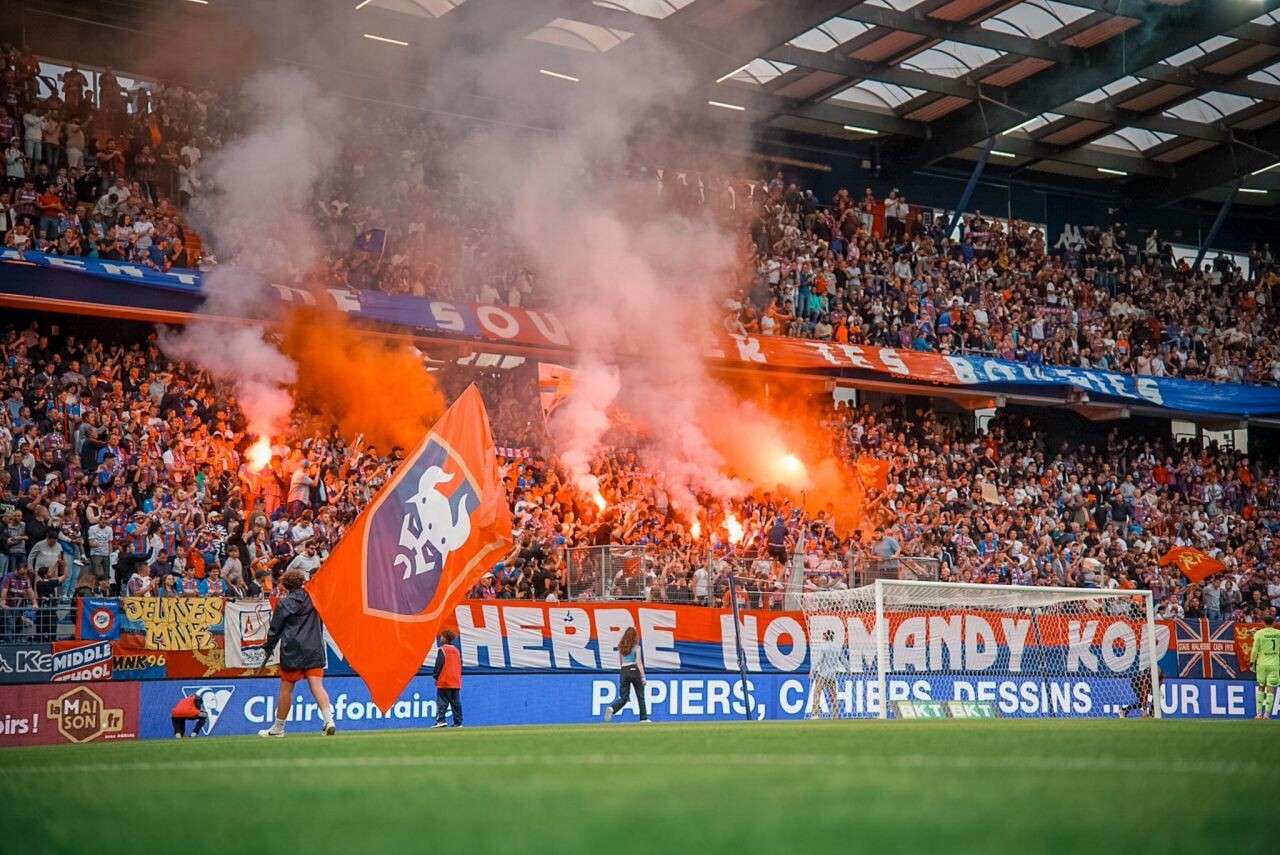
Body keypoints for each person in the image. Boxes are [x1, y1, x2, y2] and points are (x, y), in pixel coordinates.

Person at [258, 569, 336, 737]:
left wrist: (269, 646)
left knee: (287, 689)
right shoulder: (314, 598)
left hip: (292, 650)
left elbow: (275, 629)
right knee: (317, 687)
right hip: (314, 648)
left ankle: (278, 728)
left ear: (285, 585)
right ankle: (328, 720)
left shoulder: (284, 603)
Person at [604, 626, 650, 723]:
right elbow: (639, 662)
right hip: (634, 669)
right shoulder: (637, 647)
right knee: (640, 696)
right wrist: (643, 677)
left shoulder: (621, 647)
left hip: (624, 670)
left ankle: (612, 708)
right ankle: (644, 718)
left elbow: (621, 663)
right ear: (634, 637)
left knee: (624, 698)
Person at [808, 629, 846, 719]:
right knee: (833, 696)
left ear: (826, 637)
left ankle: (815, 713)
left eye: (824, 635)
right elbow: (843, 660)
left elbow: (818, 660)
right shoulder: (836, 647)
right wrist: (849, 670)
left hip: (823, 675)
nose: (823, 636)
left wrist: (812, 672)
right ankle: (836, 715)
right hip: (832, 675)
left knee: (817, 692)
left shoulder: (823, 647)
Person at [432, 628, 463, 729]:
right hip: (456, 680)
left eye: (442, 636)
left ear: (445, 638)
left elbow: (439, 663)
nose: (440, 638)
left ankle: (441, 720)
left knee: (442, 701)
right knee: (456, 703)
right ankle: (458, 723)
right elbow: (460, 664)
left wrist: (435, 676)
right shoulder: (456, 650)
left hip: (445, 679)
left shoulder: (442, 649)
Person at [1251, 614, 1280, 720]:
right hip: (1274, 664)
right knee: (1270, 689)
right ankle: (1267, 715)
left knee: (1261, 687)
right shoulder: (1278, 633)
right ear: (1274, 623)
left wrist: (1251, 662)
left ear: (1263, 623)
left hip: (1262, 664)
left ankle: (1259, 714)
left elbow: (1255, 650)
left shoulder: (1259, 633)